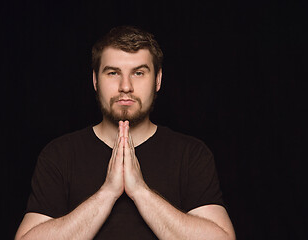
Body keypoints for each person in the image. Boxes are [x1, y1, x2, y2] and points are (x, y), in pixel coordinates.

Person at [15, 25, 236, 240]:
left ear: (157, 80)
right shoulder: (59, 154)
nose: (126, 86)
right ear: (95, 80)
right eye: (113, 73)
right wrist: (107, 193)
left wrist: (140, 191)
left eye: (139, 73)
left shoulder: (191, 154)